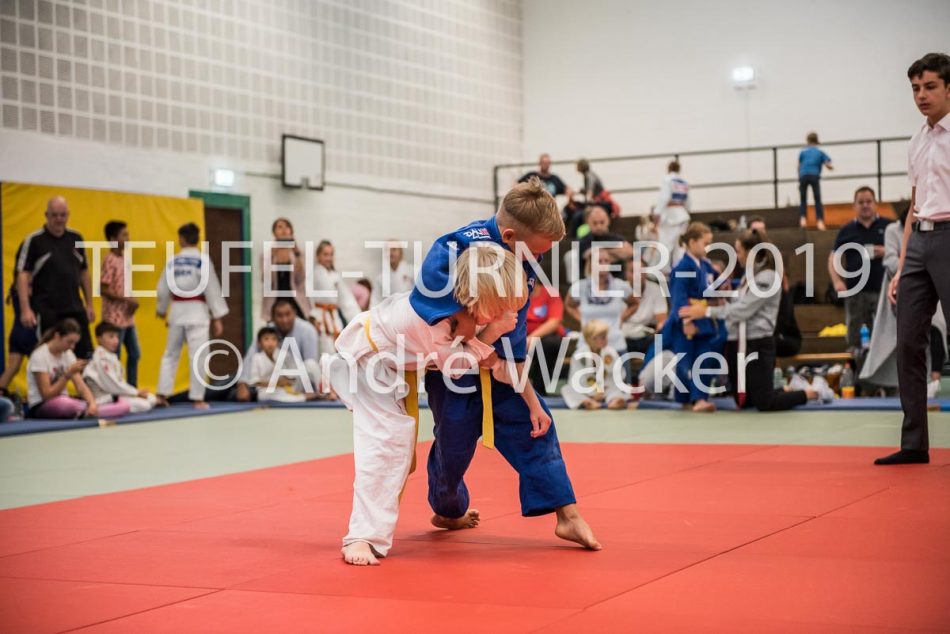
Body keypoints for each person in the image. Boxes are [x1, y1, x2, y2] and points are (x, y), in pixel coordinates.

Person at [411, 177, 601, 553]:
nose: (539, 260)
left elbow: (513, 327)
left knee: (537, 424)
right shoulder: (451, 251)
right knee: (454, 446)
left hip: (499, 362)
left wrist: (529, 396)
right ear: (511, 236)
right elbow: (437, 323)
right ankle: (449, 510)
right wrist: (484, 338)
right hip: (452, 369)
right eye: (538, 252)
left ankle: (568, 515)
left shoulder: (524, 258)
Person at [328, 245, 526, 565]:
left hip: (389, 363)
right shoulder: (437, 318)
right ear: (477, 298)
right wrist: (491, 334)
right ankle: (361, 537)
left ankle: (372, 530)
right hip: (367, 363)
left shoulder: (459, 305)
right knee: (386, 447)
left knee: (398, 451)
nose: (504, 314)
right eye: (499, 308)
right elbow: (455, 367)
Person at [876, 53, 950, 466]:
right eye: (916, 89)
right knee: (907, 342)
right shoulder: (917, 141)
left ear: (949, 89)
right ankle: (914, 444)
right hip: (919, 240)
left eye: (930, 87)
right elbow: (914, 206)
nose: (921, 95)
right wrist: (903, 265)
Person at [679, 229, 832, 410]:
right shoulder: (748, 276)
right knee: (745, 401)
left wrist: (706, 311)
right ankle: (791, 388)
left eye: (739, 251)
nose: (737, 256)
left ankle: (814, 392)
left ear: (751, 252)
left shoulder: (768, 277)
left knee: (766, 403)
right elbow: (737, 304)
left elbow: (743, 310)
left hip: (758, 343)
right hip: (740, 342)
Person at [861, 203, 946, 395]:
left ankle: (934, 380)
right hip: (901, 287)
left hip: (929, 283)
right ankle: (898, 386)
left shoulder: (932, 228)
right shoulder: (893, 230)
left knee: (937, 327)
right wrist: (908, 270)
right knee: (905, 338)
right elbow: (891, 259)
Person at [155, 223, 228, 409]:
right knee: (199, 356)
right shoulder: (203, 261)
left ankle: (161, 394)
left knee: (170, 354)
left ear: (181, 239)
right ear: (197, 238)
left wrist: (162, 309)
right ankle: (197, 398)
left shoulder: (173, 261)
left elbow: (162, 289)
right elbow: (212, 289)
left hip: (177, 311)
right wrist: (217, 316)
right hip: (197, 312)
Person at [16, 196, 96, 359]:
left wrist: (89, 304)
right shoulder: (34, 241)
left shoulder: (76, 238)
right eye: (54, 215)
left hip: (74, 307)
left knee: (85, 355)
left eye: (63, 215)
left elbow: (84, 272)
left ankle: (83, 377)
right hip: (47, 309)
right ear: (46, 215)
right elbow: (22, 275)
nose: (59, 219)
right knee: (50, 356)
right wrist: (25, 309)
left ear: (68, 215)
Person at [663, 222, 723, 412]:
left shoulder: (705, 265)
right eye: (705, 243)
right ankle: (684, 398)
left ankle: (699, 398)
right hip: (686, 322)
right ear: (691, 242)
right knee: (685, 363)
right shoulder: (682, 267)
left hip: (703, 320)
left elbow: (720, 283)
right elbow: (678, 298)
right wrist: (686, 321)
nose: (708, 248)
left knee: (704, 358)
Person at [26, 319, 129, 419]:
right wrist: (67, 375)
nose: (72, 347)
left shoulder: (68, 354)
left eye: (74, 343)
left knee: (124, 404)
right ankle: (92, 409)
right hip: (42, 405)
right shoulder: (40, 355)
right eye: (69, 342)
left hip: (65, 400)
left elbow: (81, 386)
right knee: (66, 403)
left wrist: (92, 403)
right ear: (57, 336)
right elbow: (47, 395)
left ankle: (91, 410)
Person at [828, 187, 891, 349]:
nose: (865, 205)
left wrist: (886, 251)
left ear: (875, 204)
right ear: (854, 206)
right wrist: (837, 282)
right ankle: (857, 362)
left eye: (869, 201)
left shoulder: (889, 227)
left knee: (887, 333)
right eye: (861, 202)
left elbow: (904, 252)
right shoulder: (846, 231)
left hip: (884, 291)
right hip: (856, 293)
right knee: (856, 337)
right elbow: (833, 258)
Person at [235, 298, 321, 402]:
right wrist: (242, 383)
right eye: (280, 316)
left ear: (295, 313)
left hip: (299, 382)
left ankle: (321, 393)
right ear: (273, 318)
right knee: (243, 387)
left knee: (311, 364)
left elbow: (310, 366)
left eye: (288, 314)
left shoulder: (307, 330)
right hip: (274, 386)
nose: (284, 320)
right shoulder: (266, 332)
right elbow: (250, 357)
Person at [566, 249, 638, 358]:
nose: (604, 264)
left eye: (607, 261)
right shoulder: (580, 287)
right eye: (599, 261)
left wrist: (621, 318)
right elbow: (569, 305)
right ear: (591, 264)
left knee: (621, 370)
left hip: (616, 344)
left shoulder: (620, 286)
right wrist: (583, 321)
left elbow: (634, 304)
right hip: (587, 345)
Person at [100, 221, 141, 386]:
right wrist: (126, 300)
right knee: (114, 356)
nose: (127, 238)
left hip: (127, 317)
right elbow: (103, 288)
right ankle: (114, 389)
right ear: (113, 239)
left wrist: (132, 303)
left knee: (135, 353)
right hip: (114, 318)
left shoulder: (124, 259)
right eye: (123, 235)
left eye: (127, 234)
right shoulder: (110, 260)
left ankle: (132, 388)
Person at [83, 322, 157, 413]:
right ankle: (102, 410)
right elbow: (111, 384)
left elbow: (119, 382)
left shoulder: (110, 355)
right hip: (103, 399)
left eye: (117, 337)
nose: (116, 341)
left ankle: (120, 406)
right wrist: (136, 393)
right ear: (99, 339)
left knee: (151, 398)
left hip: (116, 394)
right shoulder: (101, 357)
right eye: (111, 337)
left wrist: (136, 393)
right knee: (145, 405)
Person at [310, 240, 361, 359]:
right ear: (318, 256)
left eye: (331, 254)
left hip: (334, 318)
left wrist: (358, 318)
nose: (329, 258)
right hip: (320, 318)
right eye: (325, 254)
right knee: (324, 352)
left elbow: (346, 300)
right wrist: (312, 317)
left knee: (338, 350)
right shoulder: (313, 274)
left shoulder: (335, 276)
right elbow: (307, 299)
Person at [561, 320, 628, 410]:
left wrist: (602, 389)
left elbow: (619, 375)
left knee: (620, 389)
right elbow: (575, 381)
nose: (606, 339)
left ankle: (615, 400)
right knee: (566, 389)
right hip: (586, 391)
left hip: (607, 389)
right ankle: (588, 402)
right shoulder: (579, 355)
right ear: (591, 339)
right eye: (603, 337)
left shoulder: (611, 352)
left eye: (606, 336)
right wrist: (592, 393)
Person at [0, 241, 38, 397]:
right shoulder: (26, 282)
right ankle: (41, 400)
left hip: (17, 332)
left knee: (12, 368)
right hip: (29, 330)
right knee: (39, 370)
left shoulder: (15, 284)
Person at [247, 326, 318, 403]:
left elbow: (294, 374)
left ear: (277, 342)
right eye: (266, 339)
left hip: (292, 387)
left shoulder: (284, 354)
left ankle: (321, 392)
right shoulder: (256, 358)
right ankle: (303, 397)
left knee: (310, 363)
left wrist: (289, 379)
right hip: (271, 390)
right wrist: (278, 383)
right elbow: (255, 382)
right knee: (265, 395)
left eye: (273, 339)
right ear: (259, 343)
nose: (270, 343)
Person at [260, 217, 311, 321]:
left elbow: (301, 279)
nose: (284, 230)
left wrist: (296, 253)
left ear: (291, 231)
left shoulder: (299, 253)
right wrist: (271, 257)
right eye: (279, 227)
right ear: (274, 232)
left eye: (287, 227)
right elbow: (266, 280)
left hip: (295, 300)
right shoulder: (266, 254)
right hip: (274, 301)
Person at [570, 206, 633, 280]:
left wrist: (601, 250)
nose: (599, 226)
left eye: (602, 222)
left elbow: (630, 252)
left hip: (618, 279)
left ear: (608, 221)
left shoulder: (617, 238)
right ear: (588, 223)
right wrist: (616, 254)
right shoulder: (583, 241)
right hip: (592, 281)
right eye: (595, 223)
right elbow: (591, 257)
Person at [526, 282, 566, 395]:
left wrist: (530, 338)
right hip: (520, 335)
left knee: (549, 345)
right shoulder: (512, 294)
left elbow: (554, 321)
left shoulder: (551, 293)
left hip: (545, 338)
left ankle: (539, 390)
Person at [655, 160, 691, 269]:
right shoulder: (684, 182)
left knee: (665, 244)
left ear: (668, 168)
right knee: (678, 246)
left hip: (671, 217)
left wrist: (657, 212)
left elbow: (664, 197)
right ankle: (679, 269)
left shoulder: (667, 179)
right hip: (683, 215)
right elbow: (688, 203)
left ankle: (664, 270)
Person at [798, 132, 834, 230]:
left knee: (803, 199)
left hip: (803, 175)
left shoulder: (803, 153)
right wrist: (830, 167)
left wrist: (799, 179)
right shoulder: (820, 152)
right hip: (814, 175)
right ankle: (820, 221)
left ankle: (803, 219)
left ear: (808, 141)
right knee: (817, 199)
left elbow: (799, 166)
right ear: (817, 142)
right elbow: (828, 163)